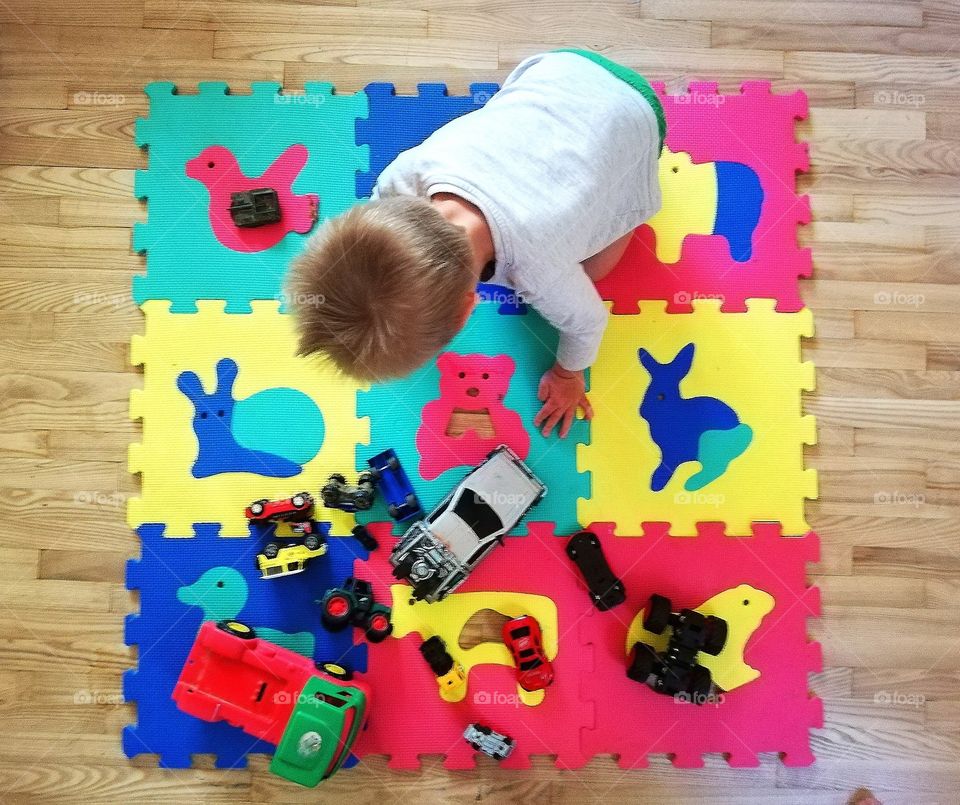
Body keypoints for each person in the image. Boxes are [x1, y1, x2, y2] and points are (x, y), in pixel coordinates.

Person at [288, 49, 665, 438]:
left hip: (637, 118)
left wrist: (567, 375)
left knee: (595, 270)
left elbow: (588, 323)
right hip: (559, 68)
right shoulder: (401, 177)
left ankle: (629, 211)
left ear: (470, 308)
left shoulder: (540, 265)